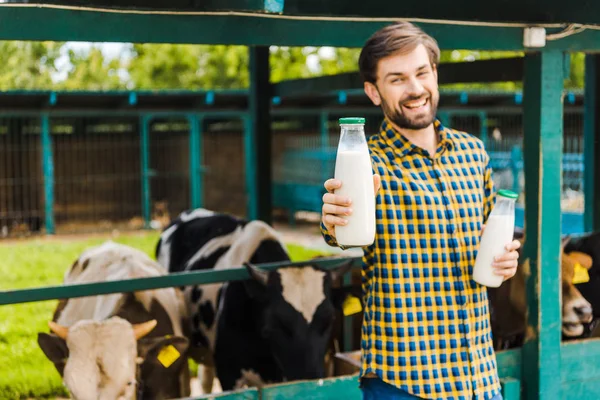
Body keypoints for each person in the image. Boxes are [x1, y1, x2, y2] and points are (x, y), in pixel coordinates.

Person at [320, 21, 521, 400]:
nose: (415, 89)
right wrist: (333, 218)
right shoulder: (367, 164)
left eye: (422, 73)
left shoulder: (473, 153)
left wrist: (504, 260)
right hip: (404, 382)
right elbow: (338, 227)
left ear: (435, 75)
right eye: (396, 79)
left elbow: (490, 244)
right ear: (373, 92)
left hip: (479, 377)